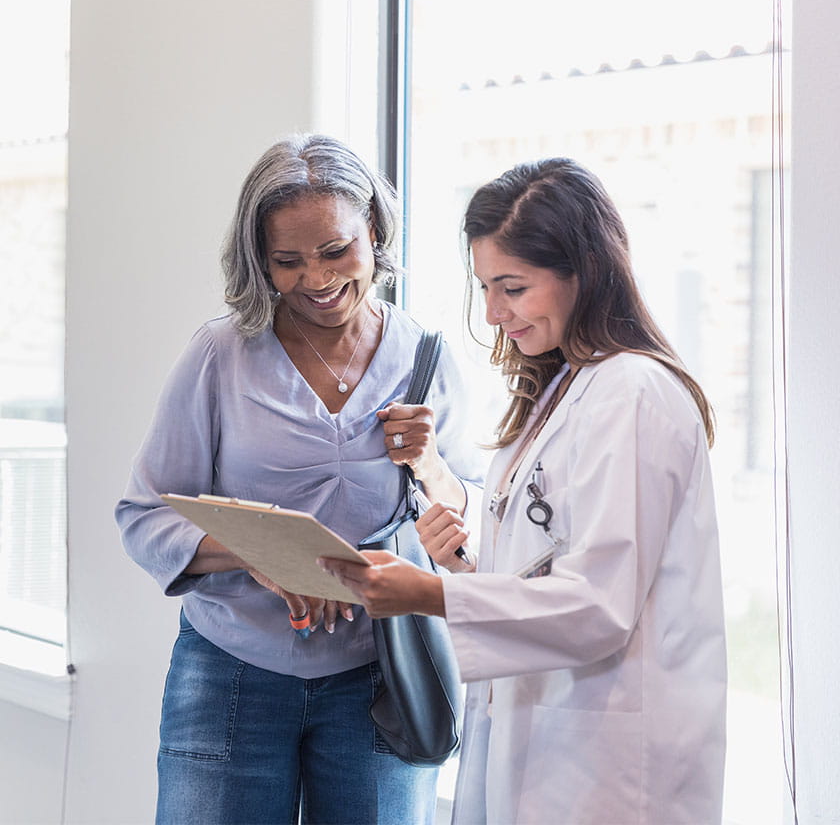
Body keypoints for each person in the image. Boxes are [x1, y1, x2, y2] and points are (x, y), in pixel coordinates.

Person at [320, 157, 727, 824]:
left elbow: (597, 604)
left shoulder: (634, 396)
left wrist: (429, 592)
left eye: (511, 287)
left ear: (585, 273)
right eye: (484, 287)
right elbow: (557, 565)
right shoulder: (566, 390)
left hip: (610, 764)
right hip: (547, 740)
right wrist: (467, 562)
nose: (492, 312)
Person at [115, 133, 483, 825]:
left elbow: (480, 525)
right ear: (261, 262)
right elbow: (143, 516)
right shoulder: (221, 356)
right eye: (288, 261)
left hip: (380, 681)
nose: (316, 280)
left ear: (372, 230)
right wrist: (262, 555)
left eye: (336, 251)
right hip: (229, 676)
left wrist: (432, 468)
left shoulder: (424, 358)